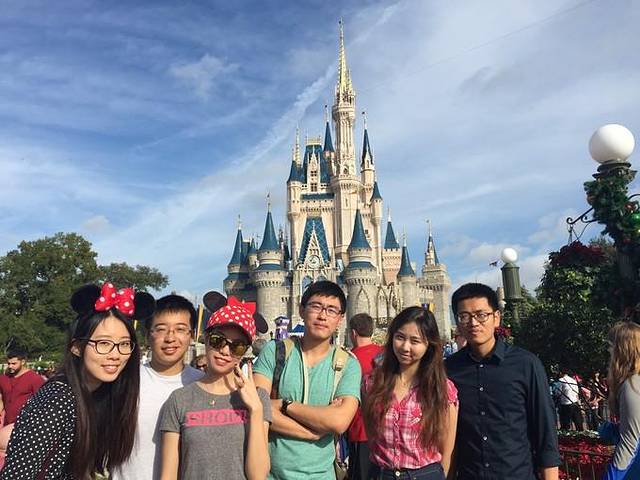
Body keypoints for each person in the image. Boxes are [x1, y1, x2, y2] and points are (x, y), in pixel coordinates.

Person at [0, 282, 153, 479]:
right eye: (103, 343)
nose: (115, 354)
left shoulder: (101, 393)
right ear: (77, 347)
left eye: (124, 344)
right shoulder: (58, 399)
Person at [445, 283, 560, 480]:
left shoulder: (525, 364)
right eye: (464, 316)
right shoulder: (449, 370)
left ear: (496, 317)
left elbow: (545, 432)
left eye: (481, 315)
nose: (473, 323)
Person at [253, 280, 362, 479]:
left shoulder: (348, 364)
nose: (322, 316)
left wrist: (284, 405)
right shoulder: (275, 352)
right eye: (316, 306)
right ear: (301, 310)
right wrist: (312, 431)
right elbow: (257, 408)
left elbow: (339, 422)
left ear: (340, 319)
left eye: (331, 310)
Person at [159, 301, 271, 480]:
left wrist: (256, 411)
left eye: (237, 346)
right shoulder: (180, 399)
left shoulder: (258, 398)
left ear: (244, 351)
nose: (225, 351)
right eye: (218, 340)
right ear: (206, 338)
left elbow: (258, 475)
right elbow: (168, 474)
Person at [112, 294, 204, 480]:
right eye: (161, 329)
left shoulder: (203, 384)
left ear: (191, 335)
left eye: (180, 329)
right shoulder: (125, 380)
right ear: (148, 335)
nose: (170, 337)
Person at [363, 307, 458, 480]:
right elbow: (371, 433)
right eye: (400, 337)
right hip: (382, 473)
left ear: (429, 344)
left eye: (415, 341)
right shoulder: (373, 383)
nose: (405, 347)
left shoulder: (441, 389)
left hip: (424, 474)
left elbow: (446, 448)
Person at [347, 313, 383, 480]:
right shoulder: (386, 354)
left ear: (353, 333)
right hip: (387, 430)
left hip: (360, 429)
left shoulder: (349, 359)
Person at [602, 321, 640, 480]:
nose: (609, 352)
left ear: (621, 350)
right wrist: (616, 429)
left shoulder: (632, 385)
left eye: (611, 347)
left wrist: (611, 477)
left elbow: (630, 443)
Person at [0, 348, 45, 463]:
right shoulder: (4, 378)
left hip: (25, 425)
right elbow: (1, 398)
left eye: (14, 363)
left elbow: (42, 403)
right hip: (7, 423)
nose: (10, 366)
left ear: (23, 361)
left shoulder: (35, 379)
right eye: (8, 363)